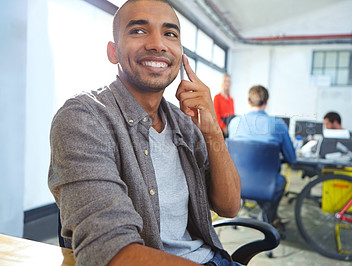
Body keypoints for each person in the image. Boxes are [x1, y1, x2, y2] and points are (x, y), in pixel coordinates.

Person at [48, 1, 241, 265]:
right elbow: (110, 251)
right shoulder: (85, 118)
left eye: (170, 34)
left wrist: (213, 132)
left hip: (213, 257)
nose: (158, 44)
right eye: (139, 31)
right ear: (113, 52)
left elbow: (229, 207)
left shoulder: (185, 123)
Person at [228, 85, 296, 227]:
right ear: (267, 101)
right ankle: (268, 218)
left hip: (235, 183)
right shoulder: (278, 124)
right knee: (281, 181)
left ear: (248, 101)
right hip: (267, 186)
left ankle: (259, 215)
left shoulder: (234, 123)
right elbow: (292, 158)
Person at [213, 74, 235, 138]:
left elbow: (233, 114)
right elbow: (216, 115)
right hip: (220, 125)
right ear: (222, 82)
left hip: (229, 124)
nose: (227, 83)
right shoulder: (217, 97)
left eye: (229, 81)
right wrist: (224, 127)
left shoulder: (231, 99)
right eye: (225, 81)